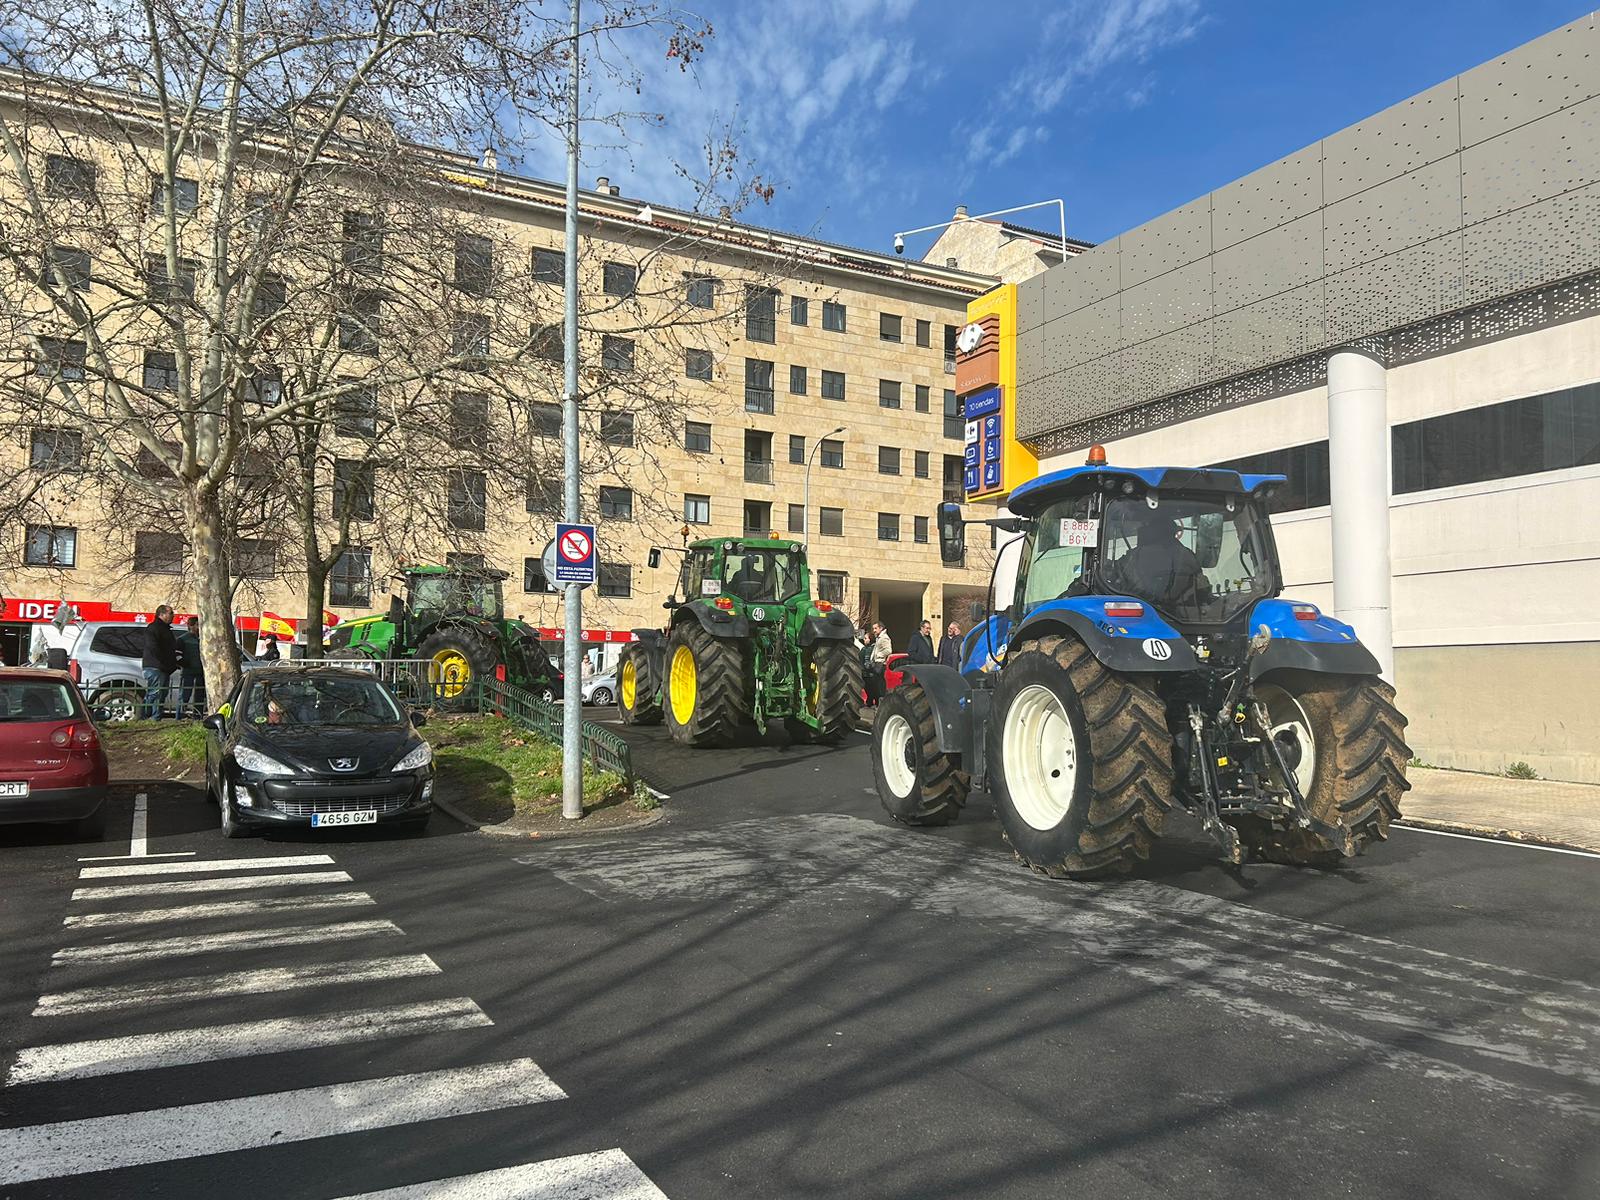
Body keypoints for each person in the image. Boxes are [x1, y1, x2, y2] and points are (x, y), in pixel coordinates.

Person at [140, 605, 179, 719]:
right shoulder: (154, 628)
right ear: (162, 614)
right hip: (156, 666)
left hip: (163, 667)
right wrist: (165, 661)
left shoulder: (166, 629)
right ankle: (147, 716)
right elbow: (153, 647)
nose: (173, 616)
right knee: (155, 693)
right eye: (170, 613)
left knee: (161, 694)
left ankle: (155, 716)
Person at [175, 615, 206, 717]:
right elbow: (177, 655)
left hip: (201, 672)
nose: (199, 627)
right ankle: (179, 716)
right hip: (187, 672)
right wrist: (185, 664)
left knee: (199, 696)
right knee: (184, 695)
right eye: (197, 625)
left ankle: (198, 715)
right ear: (191, 626)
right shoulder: (183, 639)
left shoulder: (203, 639)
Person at [867, 621, 892, 705]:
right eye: (873, 628)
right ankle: (878, 703)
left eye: (876, 628)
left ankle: (880, 703)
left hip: (880, 663)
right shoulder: (879, 637)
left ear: (881, 628)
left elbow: (888, 650)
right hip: (877, 663)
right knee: (876, 685)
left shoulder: (884, 638)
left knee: (879, 685)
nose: (874, 630)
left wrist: (878, 655)